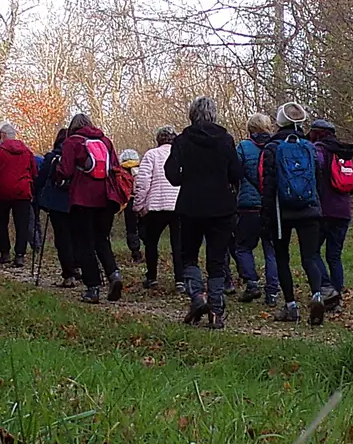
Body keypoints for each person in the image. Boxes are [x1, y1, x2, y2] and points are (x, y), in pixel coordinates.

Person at [164, 96, 246, 328]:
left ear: (192, 114)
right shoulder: (226, 140)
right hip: (221, 207)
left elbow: (172, 174)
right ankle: (216, 311)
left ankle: (197, 296)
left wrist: (188, 178)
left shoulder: (182, 140)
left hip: (190, 205)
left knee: (189, 254)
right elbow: (236, 173)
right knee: (217, 258)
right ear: (214, 114)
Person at [260, 102, 325, 324]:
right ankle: (317, 296)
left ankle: (291, 306)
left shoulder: (272, 148)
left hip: (282, 212)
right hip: (309, 208)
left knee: (282, 257)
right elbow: (318, 179)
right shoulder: (309, 147)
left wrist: (266, 216)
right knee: (310, 256)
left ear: (279, 121)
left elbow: (268, 185)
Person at [57, 112, 126, 303]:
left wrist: (57, 173)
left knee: (84, 243)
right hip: (107, 197)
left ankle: (93, 288)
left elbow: (65, 171)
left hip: (82, 199)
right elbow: (115, 167)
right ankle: (114, 274)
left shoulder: (72, 142)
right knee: (102, 239)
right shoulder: (105, 141)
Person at [308, 118, 353, 314]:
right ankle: (336, 297)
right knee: (334, 256)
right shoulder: (344, 153)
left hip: (323, 211)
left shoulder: (317, 152)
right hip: (343, 212)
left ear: (316, 133)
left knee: (312, 252)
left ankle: (327, 288)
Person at [133, 126, 186, 291]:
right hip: (178, 205)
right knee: (178, 244)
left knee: (151, 242)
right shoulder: (181, 155)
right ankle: (180, 280)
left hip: (156, 205)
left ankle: (152, 278)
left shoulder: (151, 155)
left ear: (158, 139)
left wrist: (139, 205)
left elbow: (143, 182)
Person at [0, 122, 39, 268]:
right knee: (22, 224)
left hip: (2, 192)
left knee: (2, 223)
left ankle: (5, 253)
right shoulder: (27, 152)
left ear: (3, 136)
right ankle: (20, 255)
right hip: (23, 191)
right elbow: (34, 172)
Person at [234, 113, 277, 304]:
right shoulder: (276, 146)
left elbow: (234, 173)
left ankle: (251, 283)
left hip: (248, 206)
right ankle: (272, 292)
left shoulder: (243, 147)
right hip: (271, 206)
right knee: (271, 251)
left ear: (250, 129)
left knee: (243, 247)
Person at [35, 127, 76, 285]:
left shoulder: (52, 157)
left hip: (57, 203)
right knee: (79, 236)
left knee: (62, 238)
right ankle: (82, 269)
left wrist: (36, 195)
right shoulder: (80, 154)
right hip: (78, 201)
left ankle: (69, 275)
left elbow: (41, 179)